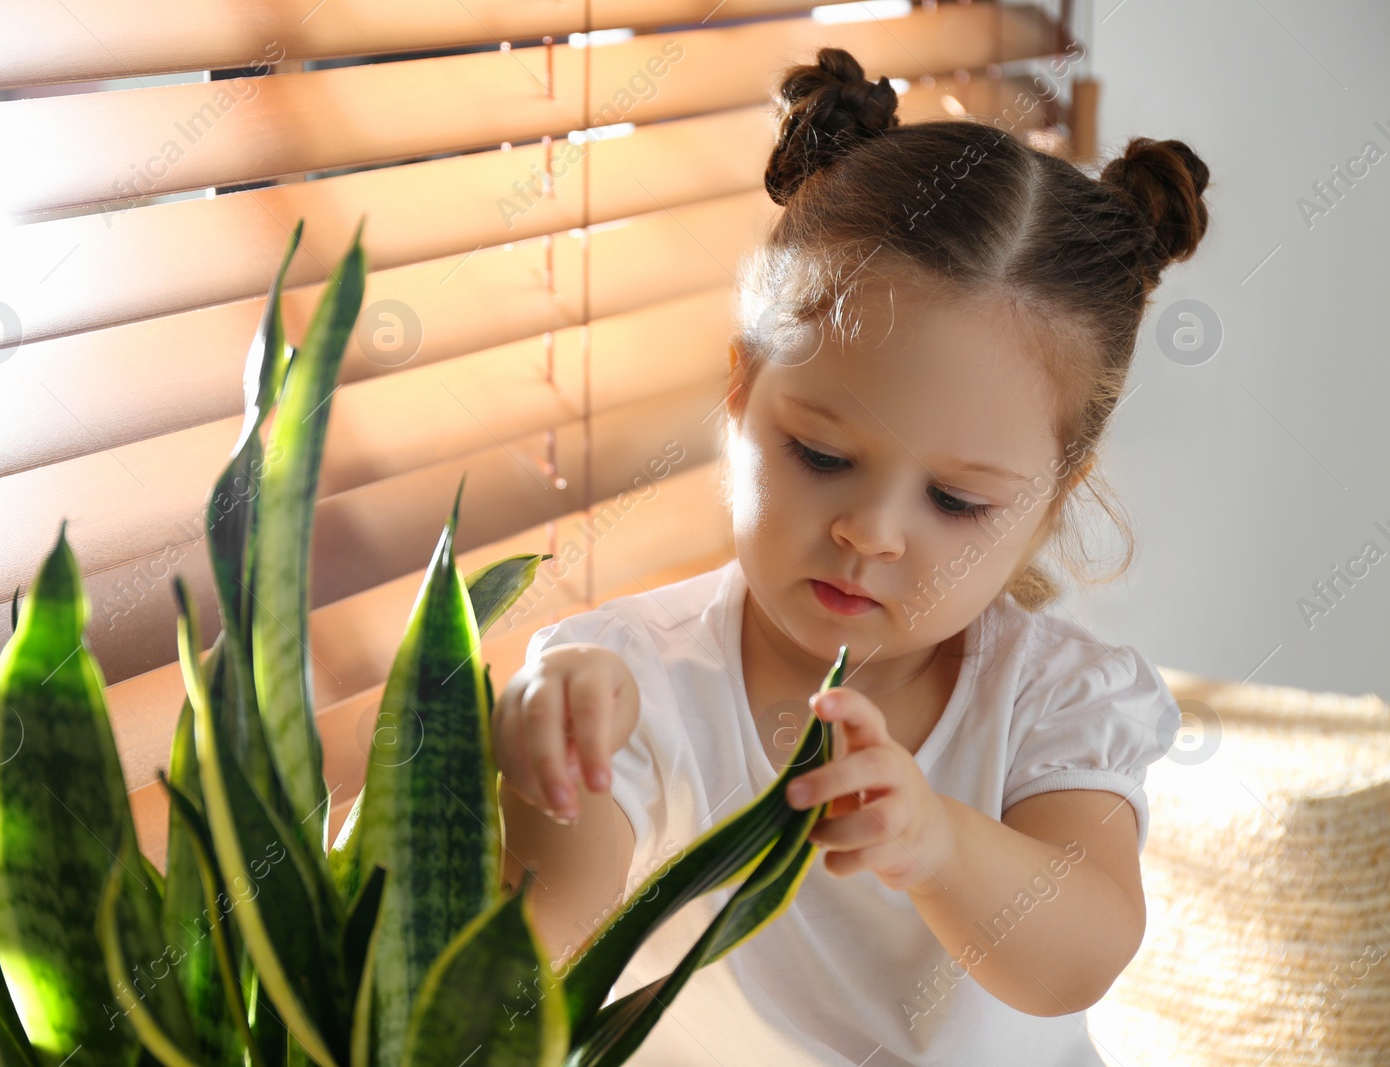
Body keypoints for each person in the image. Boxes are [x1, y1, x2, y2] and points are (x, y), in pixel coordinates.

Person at [492, 45, 1210, 1067]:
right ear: (741, 394)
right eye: (821, 453)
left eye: (955, 499)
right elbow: (533, 957)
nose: (869, 531)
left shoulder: (1055, 699)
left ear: (1054, 495)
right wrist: (547, 771)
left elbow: (1077, 955)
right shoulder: (631, 677)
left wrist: (938, 843)